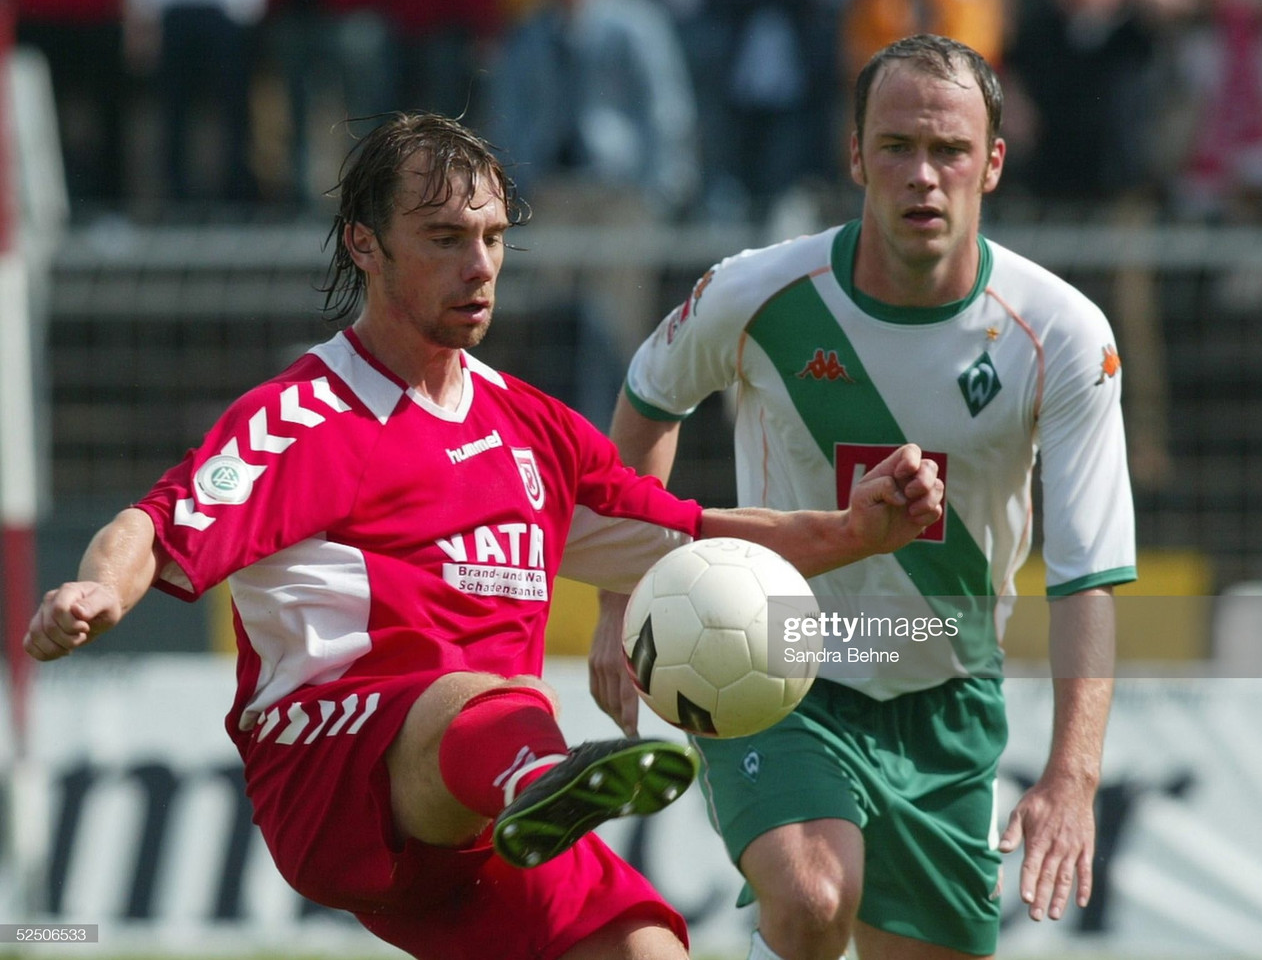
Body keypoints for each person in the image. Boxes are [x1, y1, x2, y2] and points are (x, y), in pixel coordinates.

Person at [24, 112, 944, 960]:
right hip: (338, 780)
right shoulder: (303, 419)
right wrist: (98, 588)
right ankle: (543, 775)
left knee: (649, 953)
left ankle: (537, 782)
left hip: (497, 813)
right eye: (445, 239)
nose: (480, 265)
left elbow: (690, 536)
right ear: (365, 245)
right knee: (471, 695)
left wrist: (853, 531)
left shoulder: (528, 428)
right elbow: (153, 523)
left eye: (494, 238)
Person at [591, 35, 1136, 960]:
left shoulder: (1063, 336)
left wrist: (1072, 774)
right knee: (811, 899)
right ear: (855, 157)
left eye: (950, 151)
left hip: (947, 692)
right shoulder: (757, 292)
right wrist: (616, 602)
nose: (923, 176)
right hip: (772, 659)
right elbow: (646, 410)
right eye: (896, 147)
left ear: (992, 164)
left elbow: (1086, 575)